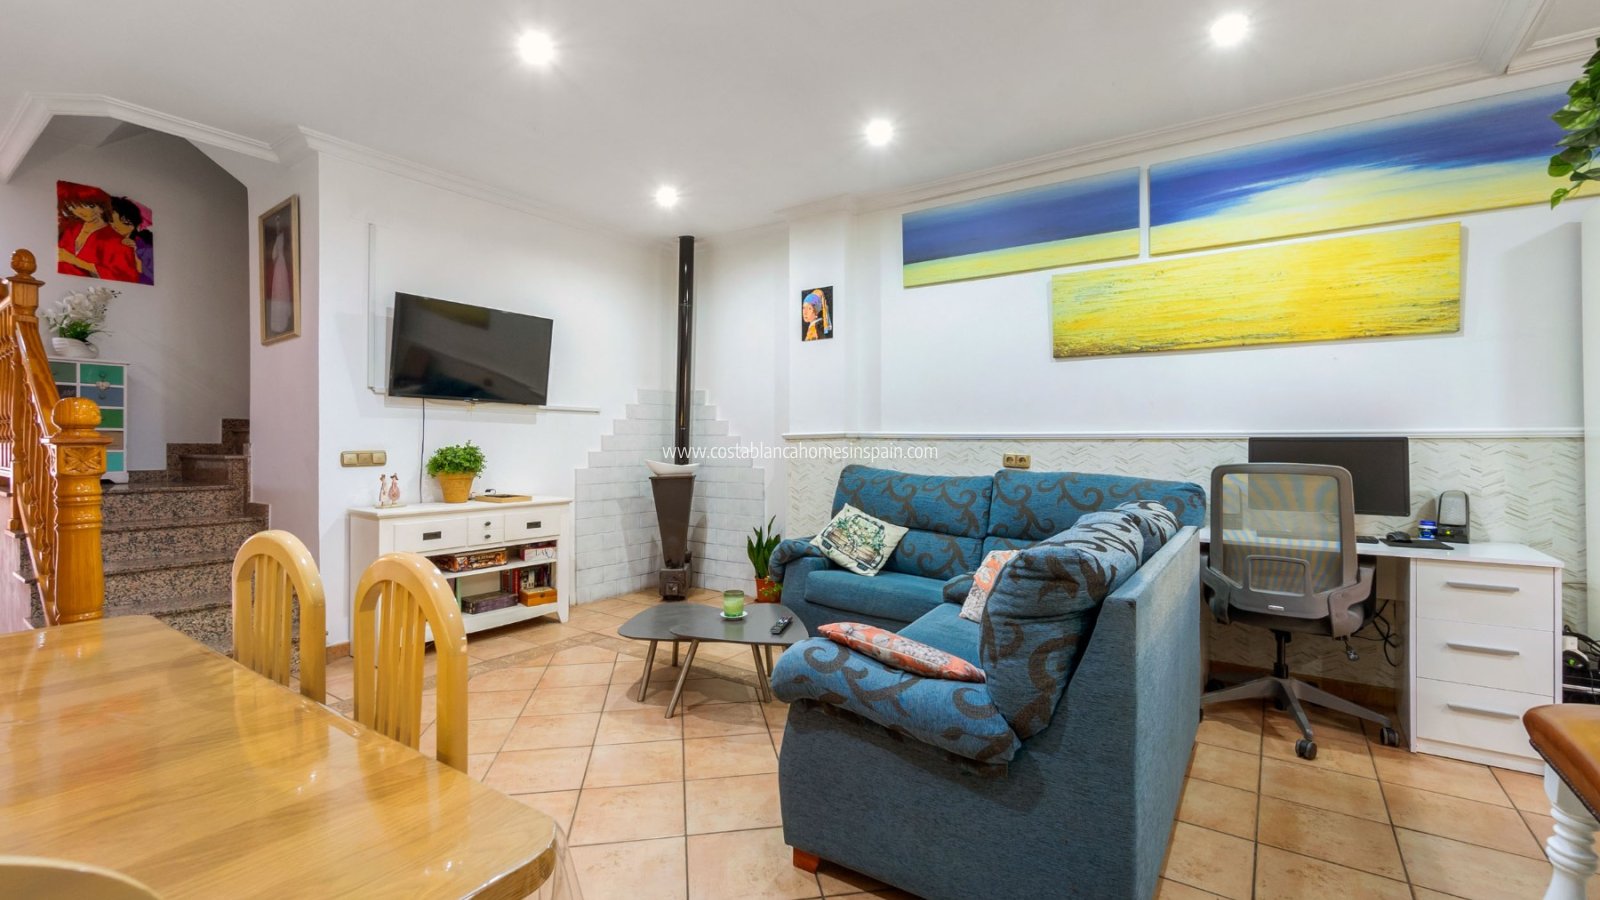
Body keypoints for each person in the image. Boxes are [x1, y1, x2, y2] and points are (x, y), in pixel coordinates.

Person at [57, 183, 138, 283]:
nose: (81, 211)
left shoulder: (117, 241)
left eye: (90, 205)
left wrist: (74, 260)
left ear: (102, 206)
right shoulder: (71, 229)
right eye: (73, 206)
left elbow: (126, 277)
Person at [108, 196, 154, 285]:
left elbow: (145, 275)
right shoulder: (108, 241)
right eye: (111, 221)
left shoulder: (144, 246)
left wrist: (135, 253)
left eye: (123, 220)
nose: (114, 225)